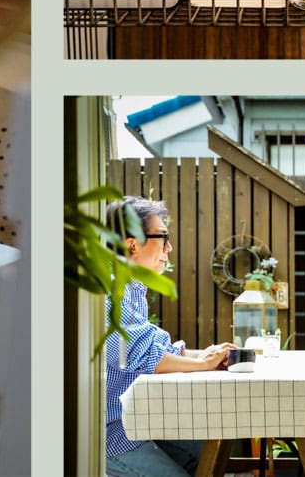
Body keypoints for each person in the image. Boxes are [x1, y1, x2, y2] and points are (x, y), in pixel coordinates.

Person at [102, 197, 234, 477]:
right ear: (132, 244)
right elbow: (138, 356)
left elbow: (155, 346)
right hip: (108, 435)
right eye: (163, 238)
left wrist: (206, 354)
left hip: (134, 420)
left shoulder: (131, 289)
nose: (169, 247)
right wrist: (202, 364)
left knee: (209, 450)